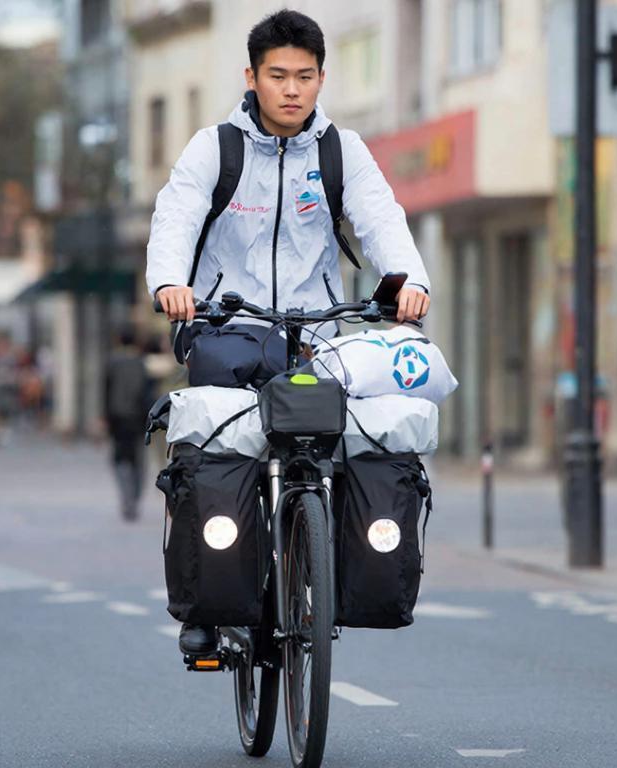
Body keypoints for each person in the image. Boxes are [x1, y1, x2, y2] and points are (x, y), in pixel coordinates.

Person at [146, 10, 432, 655]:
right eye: (278, 75)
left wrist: (411, 280)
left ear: (322, 78)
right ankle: (212, 599)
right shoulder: (214, 146)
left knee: (357, 430)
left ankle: (323, 556)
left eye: (305, 76)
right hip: (225, 322)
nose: (292, 89)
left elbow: (381, 217)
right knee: (218, 442)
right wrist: (170, 282)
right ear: (252, 76)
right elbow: (177, 215)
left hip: (318, 327)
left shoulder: (340, 150)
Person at [104, 324, 156, 522]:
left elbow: (105, 391)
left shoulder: (112, 362)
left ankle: (126, 496)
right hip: (138, 418)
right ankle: (134, 497)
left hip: (117, 418)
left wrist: (105, 417)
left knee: (119, 459)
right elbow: (146, 392)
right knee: (138, 460)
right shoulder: (140, 363)